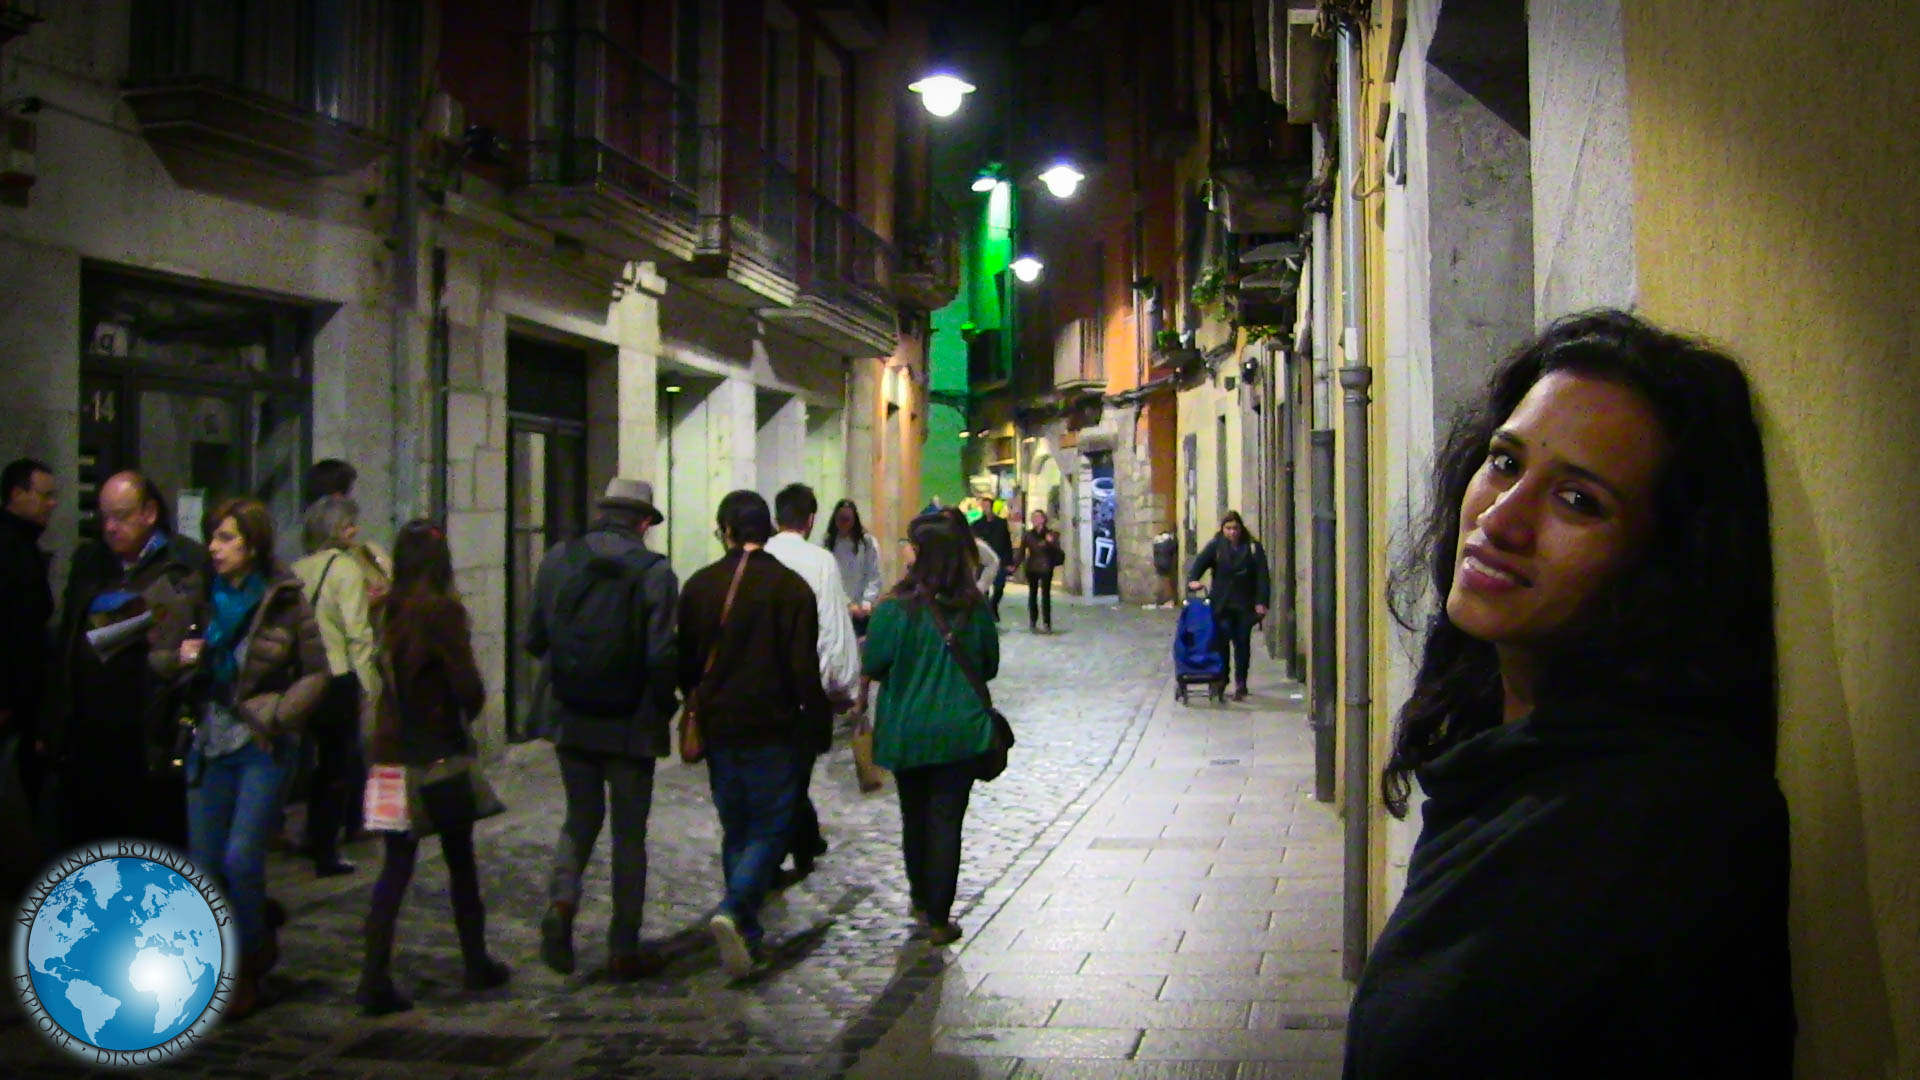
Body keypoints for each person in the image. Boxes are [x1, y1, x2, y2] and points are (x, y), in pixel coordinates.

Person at [1343, 311, 1792, 1076]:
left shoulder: (1669, 823)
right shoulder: (1501, 756)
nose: (1500, 517)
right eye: (1505, 462)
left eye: (1579, 501)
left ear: (1659, 565)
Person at [148, 497, 329, 1020]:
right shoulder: (197, 594)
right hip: (206, 740)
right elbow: (158, 653)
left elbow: (317, 672)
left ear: (253, 545)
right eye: (212, 536)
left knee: (241, 858)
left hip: (260, 745)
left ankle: (249, 964)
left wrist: (277, 716)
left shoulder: (284, 597)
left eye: (226, 538)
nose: (215, 547)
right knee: (204, 866)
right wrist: (176, 657)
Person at [526, 479, 679, 981]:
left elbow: (534, 639)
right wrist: (664, 705)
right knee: (629, 836)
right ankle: (622, 946)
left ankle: (562, 904)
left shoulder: (558, 559)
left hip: (572, 716)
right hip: (630, 725)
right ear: (642, 522)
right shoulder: (655, 572)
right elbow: (660, 654)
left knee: (579, 818)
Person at [356, 520, 510, 1015]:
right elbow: (469, 690)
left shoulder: (384, 610)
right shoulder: (440, 612)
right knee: (460, 861)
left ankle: (372, 977)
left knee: (394, 869)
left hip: (387, 754)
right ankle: (475, 961)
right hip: (435, 755)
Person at [676, 491, 831, 978]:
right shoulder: (790, 589)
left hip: (720, 725)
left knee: (737, 827)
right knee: (770, 827)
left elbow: (685, 663)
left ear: (725, 529)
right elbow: (804, 667)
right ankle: (736, 908)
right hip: (775, 725)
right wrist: (817, 722)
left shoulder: (700, 585)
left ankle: (749, 937)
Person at [46, 471, 209, 849]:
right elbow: (70, 638)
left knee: (150, 840)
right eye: (104, 518)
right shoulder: (90, 562)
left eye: (120, 516)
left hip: (150, 726)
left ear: (149, 512)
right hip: (90, 731)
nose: (110, 527)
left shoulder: (185, 561)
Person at [864, 512, 1000, 947]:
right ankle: (939, 916)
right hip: (959, 732)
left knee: (915, 816)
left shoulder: (894, 608)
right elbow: (989, 665)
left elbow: (874, 663)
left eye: (909, 542)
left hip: (908, 728)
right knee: (945, 822)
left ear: (920, 553)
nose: (903, 548)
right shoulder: (973, 607)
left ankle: (922, 900)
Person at [765, 483, 862, 886]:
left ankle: (800, 842)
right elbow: (834, 627)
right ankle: (789, 848)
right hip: (807, 685)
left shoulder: (761, 558)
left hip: (764, 685)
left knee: (777, 772)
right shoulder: (820, 562)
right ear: (809, 521)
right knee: (796, 772)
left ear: (776, 519)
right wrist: (843, 685)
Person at [292, 495, 382, 877]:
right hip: (338, 675)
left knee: (307, 763)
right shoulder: (345, 570)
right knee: (336, 766)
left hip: (302, 676)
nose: (355, 532)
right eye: (348, 525)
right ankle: (327, 847)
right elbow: (357, 631)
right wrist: (368, 683)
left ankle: (311, 835)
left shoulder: (297, 569)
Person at [0, 458, 57, 899]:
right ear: (16, 494)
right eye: (44, 494)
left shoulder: (23, 547)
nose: (53, 504)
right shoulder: (11, 549)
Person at [1185, 510, 1272, 700]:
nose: (1232, 532)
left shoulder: (1252, 548)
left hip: (1244, 604)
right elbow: (1200, 564)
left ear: (1241, 529)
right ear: (1223, 529)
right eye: (1228, 528)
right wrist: (1193, 580)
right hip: (1221, 605)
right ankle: (1221, 680)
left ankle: (1241, 683)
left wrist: (1261, 602)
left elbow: (1262, 577)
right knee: (1221, 645)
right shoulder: (1216, 546)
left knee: (1242, 645)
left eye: (1235, 528)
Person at [822, 498, 883, 634]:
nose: (844, 523)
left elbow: (874, 574)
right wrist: (846, 604)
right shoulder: (828, 543)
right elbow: (828, 577)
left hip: (861, 609)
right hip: (836, 607)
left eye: (847, 519)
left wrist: (866, 603)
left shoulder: (867, 543)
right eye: (840, 519)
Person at [1015, 509, 1063, 633]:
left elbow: (1058, 551)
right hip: (1032, 567)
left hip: (1046, 567)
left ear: (1043, 519)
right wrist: (1014, 565)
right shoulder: (1028, 535)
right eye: (1033, 517)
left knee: (1045, 595)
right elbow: (1021, 552)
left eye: (1037, 517)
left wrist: (1050, 543)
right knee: (1032, 595)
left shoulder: (1051, 534)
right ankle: (1033, 621)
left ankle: (1047, 623)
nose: (1034, 519)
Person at [970, 500, 1013, 622]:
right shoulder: (976, 525)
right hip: (982, 562)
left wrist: (1009, 562)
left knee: (999, 587)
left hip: (999, 560)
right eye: (983, 506)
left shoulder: (1001, 523)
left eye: (987, 505)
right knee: (984, 589)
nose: (985, 508)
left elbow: (1007, 543)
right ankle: (987, 613)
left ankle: (993, 606)